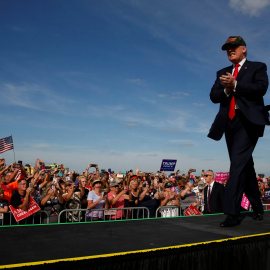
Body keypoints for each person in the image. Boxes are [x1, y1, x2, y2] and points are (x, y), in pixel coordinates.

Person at [208, 36, 270, 227]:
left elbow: (261, 88)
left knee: (236, 166)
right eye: (227, 48)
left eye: (233, 47)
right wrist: (227, 90)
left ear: (243, 49)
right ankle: (258, 208)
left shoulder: (258, 67)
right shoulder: (223, 72)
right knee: (245, 166)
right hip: (229, 123)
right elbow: (213, 96)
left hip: (249, 122)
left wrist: (235, 85)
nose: (230, 50)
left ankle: (232, 213)